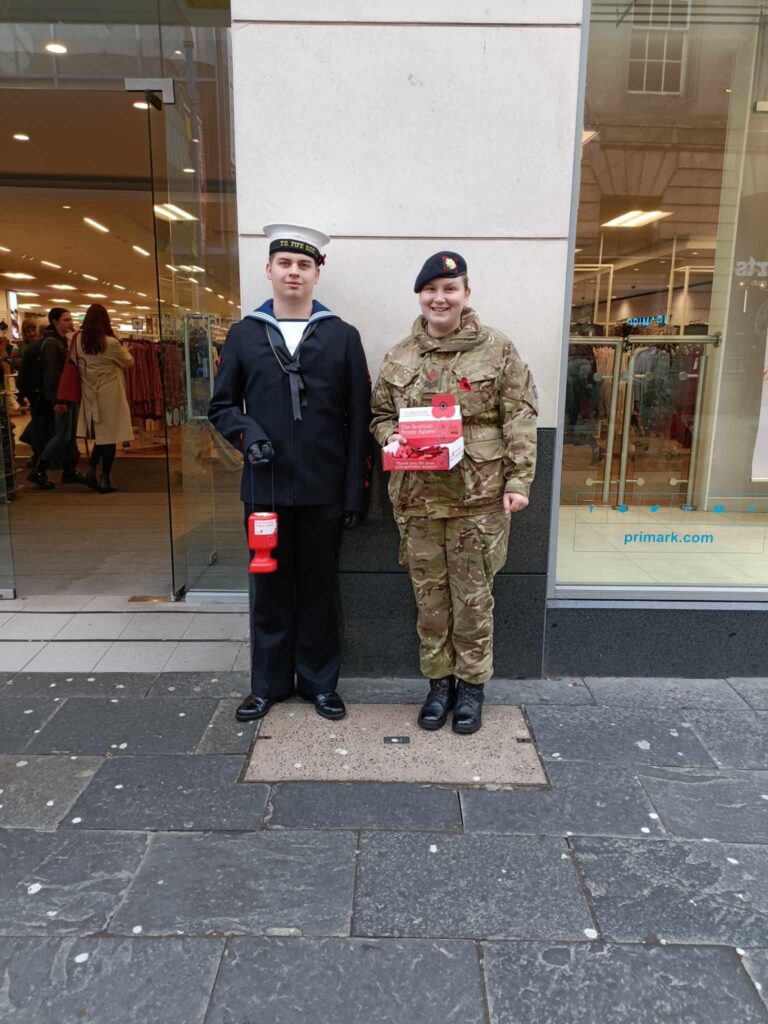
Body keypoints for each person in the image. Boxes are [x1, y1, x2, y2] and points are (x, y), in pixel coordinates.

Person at [370, 251, 538, 734]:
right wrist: (390, 438)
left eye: (450, 289)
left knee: (473, 597)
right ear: (420, 296)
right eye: (431, 290)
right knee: (430, 598)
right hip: (418, 498)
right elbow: (380, 415)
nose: (439, 298)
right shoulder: (400, 355)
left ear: (466, 294)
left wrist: (519, 480)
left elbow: (520, 417)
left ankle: (471, 688)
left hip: (479, 498)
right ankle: (438, 685)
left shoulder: (496, 348)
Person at [209, 223, 370, 723]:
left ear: (318, 273)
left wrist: (353, 495)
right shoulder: (243, 334)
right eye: (285, 263)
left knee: (320, 590)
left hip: (322, 490)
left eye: (304, 264)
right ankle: (268, 685)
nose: (294, 272)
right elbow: (220, 406)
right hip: (265, 489)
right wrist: (247, 433)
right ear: (269, 270)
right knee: (270, 591)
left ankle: (320, 684)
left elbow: (358, 421)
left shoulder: (343, 337)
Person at [74, 304, 134, 493]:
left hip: (89, 392)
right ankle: (105, 479)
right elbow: (128, 362)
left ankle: (92, 470)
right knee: (111, 436)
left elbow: (75, 362)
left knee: (102, 435)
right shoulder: (110, 343)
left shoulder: (76, 341)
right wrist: (126, 350)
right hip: (110, 393)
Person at [27, 307, 88, 491]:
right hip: (62, 396)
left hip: (68, 394)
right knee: (62, 435)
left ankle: (69, 469)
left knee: (68, 436)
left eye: (70, 319)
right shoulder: (53, 344)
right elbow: (52, 375)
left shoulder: (63, 341)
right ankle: (39, 470)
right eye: (65, 320)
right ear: (54, 322)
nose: (70, 323)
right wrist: (59, 400)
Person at [17, 318, 54, 467]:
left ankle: (41, 457)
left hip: (40, 392)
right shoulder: (26, 348)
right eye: (28, 331)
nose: (32, 333)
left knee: (41, 425)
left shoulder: (35, 347)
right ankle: (40, 459)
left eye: (33, 330)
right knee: (39, 426)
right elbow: (23, 373)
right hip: (37, 392)